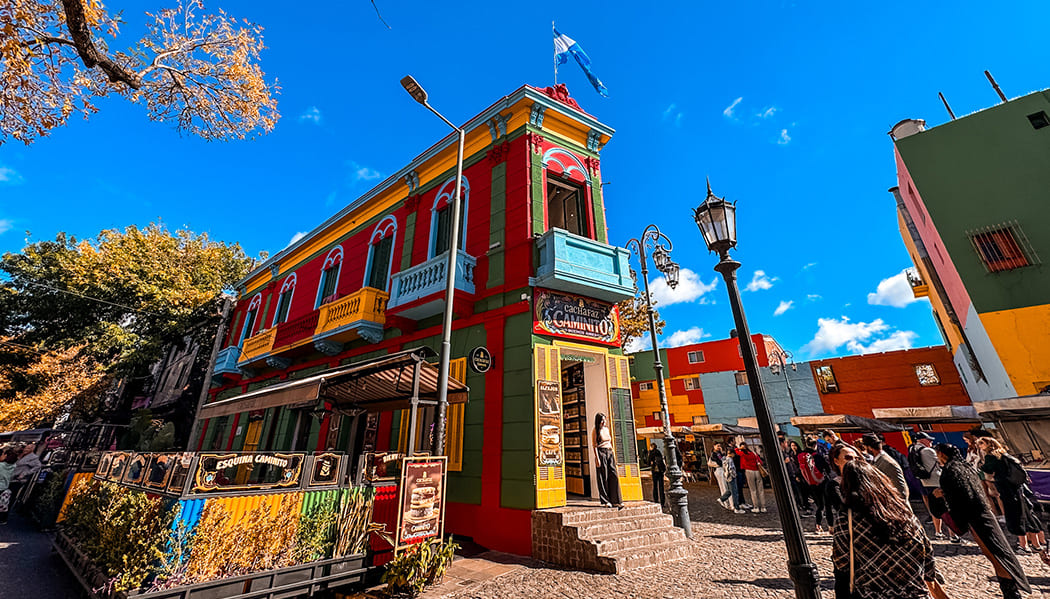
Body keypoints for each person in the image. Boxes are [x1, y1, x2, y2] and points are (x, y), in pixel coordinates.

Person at [832, 460, 944, 599]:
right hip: (916, 593)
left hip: (874, 594)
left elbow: (842, 561)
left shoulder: (847, 519)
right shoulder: (904, 513)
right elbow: (927, 554)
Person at [933, 443, 1030, 599]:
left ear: (942, 454)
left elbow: (958, 499)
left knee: (996, 556)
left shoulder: (950, 471)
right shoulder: (965, 467)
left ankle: (1012, 594)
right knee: (998, 554)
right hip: (983, 515)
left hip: (975, 518)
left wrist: (940, 496)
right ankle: (1011, 592)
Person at [978, 437, 1046, 554]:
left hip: (1007, 489)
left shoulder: (991, 456)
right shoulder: (1004, 454)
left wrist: (981, 464)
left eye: (981, 444)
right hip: (1017, 488)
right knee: (1027, 515)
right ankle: (1036, 545)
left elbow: (987, 469)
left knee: (1016, 516)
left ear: (989, 444)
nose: (979, 446)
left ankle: (1024, 546)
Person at [908, 432, 947, 539]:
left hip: (924, 482)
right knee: (945, 508)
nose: (931, 442)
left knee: (934, 508)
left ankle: (938, 531)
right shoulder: (928, 451)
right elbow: (941, 462)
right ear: (922, 440)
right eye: (928, 440)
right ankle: (953, 534)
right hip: (936, 481)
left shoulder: (912, 449)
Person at [861, 433, 909, 505]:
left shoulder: (887, 462)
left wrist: (898, 504)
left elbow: (901, 488)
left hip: (897, 505)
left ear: (870, 447)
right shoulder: (877, 460)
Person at [592, 413, 623, 509]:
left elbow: (610, 442)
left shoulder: (606, 429)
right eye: (602, 420)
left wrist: (613, 453)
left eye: (604, 420)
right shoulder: (595, 430)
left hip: (609, 452)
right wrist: (597, 458)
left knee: (613, 475)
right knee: (603, 477)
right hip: (601, 453)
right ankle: (606, 500)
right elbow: (594, 445)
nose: (603, 422)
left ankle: (616, 500)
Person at [735, 441, 766, 513]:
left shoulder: (743, 454)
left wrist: (739, 448)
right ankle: (763, 507)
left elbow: (736, 451)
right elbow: (760, 462)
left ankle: (756, 507)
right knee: (760, 490)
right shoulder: (753, 453)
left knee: (753, 490)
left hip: (749, 471)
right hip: (757, 471)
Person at [787, 440, 812, 514]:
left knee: (805, 490)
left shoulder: (800, 454)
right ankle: (803, 504)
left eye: (795, 445)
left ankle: (806, 504)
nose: (794, 447)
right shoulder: (791, 455)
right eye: (792, 446)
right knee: (800, 491)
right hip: (796, 475)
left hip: (803, 474)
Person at [708, 443, 732, 511]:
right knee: (723, 486)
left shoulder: (720, 453)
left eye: (720, 446)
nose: (719, 447)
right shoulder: (714, 454)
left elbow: (723, 460)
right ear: (714, 446)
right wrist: (722, 461)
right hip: (719, 470)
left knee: (725, 486)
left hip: (723, 470)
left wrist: (722, 453)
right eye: (717, 446)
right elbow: (720, 462)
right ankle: (725, 502)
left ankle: (727, 502)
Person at [0, 448, 16, 525]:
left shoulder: (1, 465)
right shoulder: (14, 466)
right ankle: (2, 519)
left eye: (3, 454)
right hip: (5, 487)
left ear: (5, 455)